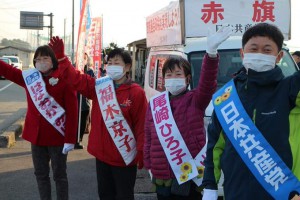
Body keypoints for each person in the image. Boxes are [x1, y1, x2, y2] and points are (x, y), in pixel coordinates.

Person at [202, 23, 300, 200]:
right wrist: (210, 184)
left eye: (267, 50)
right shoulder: (227, 97)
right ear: (242, 53)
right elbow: (214, 146)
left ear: (278, 57)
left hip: (282, 191)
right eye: (253, 49)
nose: (259, 54)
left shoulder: (291, 91)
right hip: (236, 191)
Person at [48, 37, 148, 200]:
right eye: (110, 63)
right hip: (102, 156)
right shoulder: (100, 86)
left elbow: (142, 125)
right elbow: (76, 79)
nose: (112, 66)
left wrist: (143, 151)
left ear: (127, 67)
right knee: (105, 195)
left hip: (124, 157)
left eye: (117, 62)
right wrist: (61, 58)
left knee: (124, 196)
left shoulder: (136, 92)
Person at [143, 26, 232, 200]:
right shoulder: (156, 104)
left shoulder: (196, 100)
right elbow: (148, 135)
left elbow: (207, 83)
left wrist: (211, 53)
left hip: (189, 170)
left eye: (178, 73)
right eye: (169, 74)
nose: (173, 77)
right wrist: (148, 163)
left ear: (187, 78)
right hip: (162, 172)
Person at [0, 45, 78, 200]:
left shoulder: (64, 80)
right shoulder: (31, 78)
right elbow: (9, 71)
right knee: (41, 175)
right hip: (36, 138)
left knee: (59, 176)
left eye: (45, 58)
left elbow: (73, 112)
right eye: (38, 59)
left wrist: (70, 139)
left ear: (53, 61)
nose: (41, 61)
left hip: (57, 138)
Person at [74, 53, 95, 149]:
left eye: (85, 58)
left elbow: (94, 83)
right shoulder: (74, 71)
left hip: (85, 102)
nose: (83, 60)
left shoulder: (90, 71)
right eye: (81, 58)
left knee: (83, 122)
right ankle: (74, 140)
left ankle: (79, 139)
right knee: (75, 122)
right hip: (75, 101)